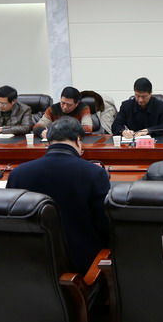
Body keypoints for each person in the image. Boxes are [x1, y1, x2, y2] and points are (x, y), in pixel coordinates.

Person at [7, 117, 110, 274]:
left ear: (48, 141)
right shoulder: (94, 173)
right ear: (78, 140)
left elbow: (12, 222)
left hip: (31, 262)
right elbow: (104, 224)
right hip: (83, 265)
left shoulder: (18, 173)